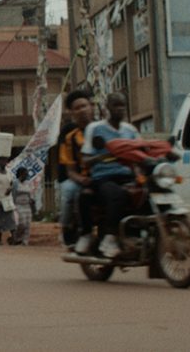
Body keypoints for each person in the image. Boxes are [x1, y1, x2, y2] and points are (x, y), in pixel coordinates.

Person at [75, 92, 140, 258]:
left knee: (149, 191)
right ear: (108, 108)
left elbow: (141, 152)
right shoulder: (95, 129)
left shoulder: (130, 130)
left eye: (122, 105)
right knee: (116, 194)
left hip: (127, 176)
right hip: (103, 178)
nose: (120, 109)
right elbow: (86, 159)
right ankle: (109, 238)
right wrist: (102, 156)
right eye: (116, 105)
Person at [57, 89, 94, 247]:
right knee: (70, 192)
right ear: (71, 112)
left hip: (97, 175)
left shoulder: (99, 128)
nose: (82, 110)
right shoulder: (68, 133)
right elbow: (68, 166)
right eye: (77, 108)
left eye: (84, 106)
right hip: (73, 176)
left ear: (91, 106)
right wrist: (80, 178)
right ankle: (67, 228)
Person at [12, 167, 34, 245]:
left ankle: (25, 241)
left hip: (27, 205)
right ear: (21, 174)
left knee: (28, 224)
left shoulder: (28, 183)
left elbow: (30, 194)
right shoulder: (15, 183)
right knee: (22, 223)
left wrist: (31, 200)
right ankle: (16, 238)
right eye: (25, 173)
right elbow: (13, 195)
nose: (27, 175)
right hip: (18, 205)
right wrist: (13, 206)